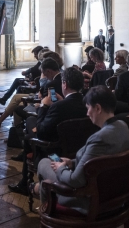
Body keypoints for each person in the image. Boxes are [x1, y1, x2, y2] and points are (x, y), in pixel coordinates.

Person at [34, 86, 129, 214]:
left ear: (98, 108)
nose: (87, 113)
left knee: (44, 164)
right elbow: (98, 160)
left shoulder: (99, 138)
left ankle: (47, 209)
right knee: (45, 181)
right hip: (116, 195)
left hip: (90, 200)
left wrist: (60, 168)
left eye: (88, 108)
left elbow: (75, 181)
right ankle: (43, 199)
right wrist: (72, 162)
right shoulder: (122, 126)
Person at [8, 67, 88, 195]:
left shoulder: (58, 107)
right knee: (31, 128)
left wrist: (43, 106)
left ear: (65, 84)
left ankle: (25, 181)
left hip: (55, 153)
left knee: (30, 129)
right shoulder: (87, 103)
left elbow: (41, 133)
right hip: (80, 150)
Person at [0, 58, 63, 130]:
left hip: (45, 111)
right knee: (17, 101)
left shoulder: (51, 84)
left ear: (49, 71)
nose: (44, 75)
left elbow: (51, 100)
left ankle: (17, 134)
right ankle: (9, 128)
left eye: (44, 73)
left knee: (17, 108)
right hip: (54, 108)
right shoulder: (63, 78)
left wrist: (40, 102)